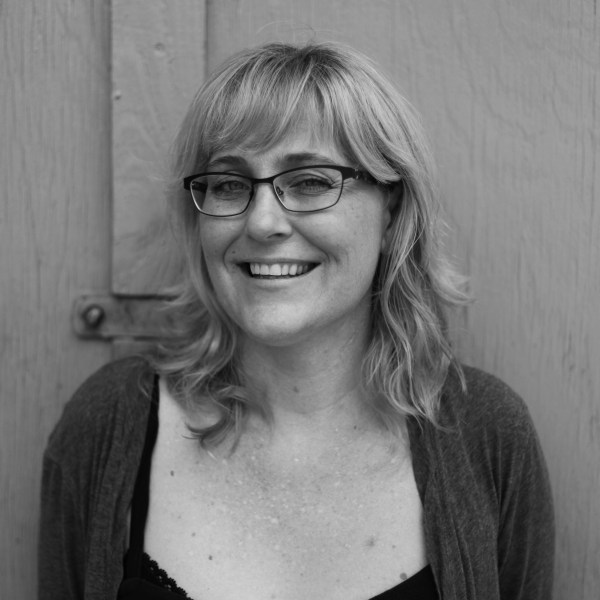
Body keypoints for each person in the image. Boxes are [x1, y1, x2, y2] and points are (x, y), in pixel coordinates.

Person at [39, 42, 554, 600]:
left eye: (310, 181)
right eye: (229, 183)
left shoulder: (488, 436)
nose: (263, 223)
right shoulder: (109, 424)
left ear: (391, 212)